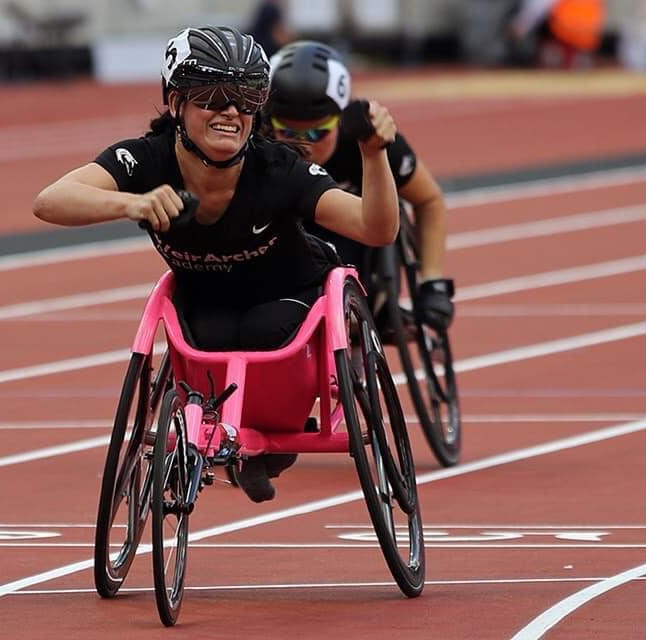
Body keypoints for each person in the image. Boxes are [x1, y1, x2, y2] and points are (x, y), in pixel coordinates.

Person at [33, 26, 400, 503]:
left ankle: (271, 438)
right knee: (204, 336)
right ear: (175, 101)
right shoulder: (146, 159)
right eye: (212, 95)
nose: (230, 111)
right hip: (205, 303)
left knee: (265, 328)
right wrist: (131, 204)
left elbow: (376, 230)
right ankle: (230, 440)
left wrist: (374, 154)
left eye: (246, 99)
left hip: (288, 296)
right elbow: (49, 200)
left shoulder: (277, 169)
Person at [265, 40, 454, 335]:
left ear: (341, 118)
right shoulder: (256, 141)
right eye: (288, 131)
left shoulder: (367, 139)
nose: (303, 142)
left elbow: (429, 200)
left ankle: (370, 311)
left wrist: (432, 282)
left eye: (317, 131)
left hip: (351, 242)